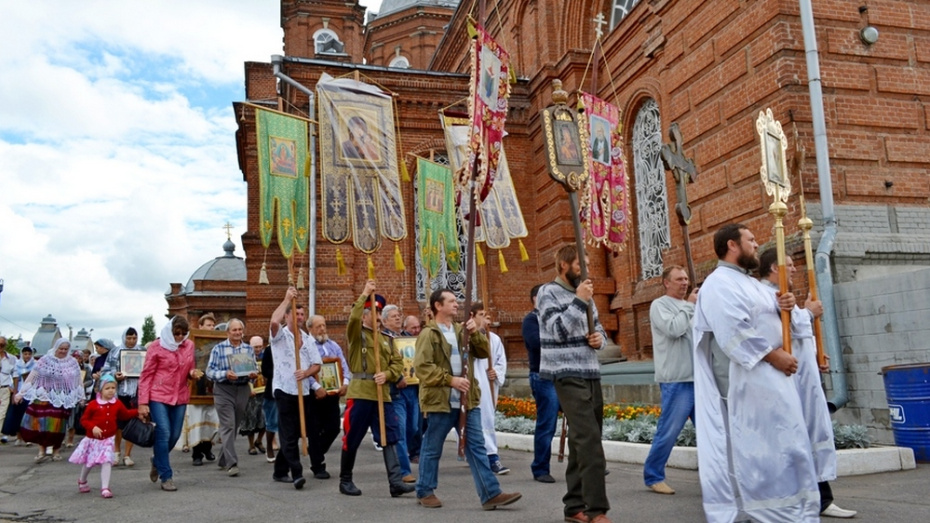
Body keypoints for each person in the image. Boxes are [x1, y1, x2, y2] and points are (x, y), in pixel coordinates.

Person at [692, 224, 820, 522]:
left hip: (778, 379)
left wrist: (783, 305)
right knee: (766, 448)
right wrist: (774, 355)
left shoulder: (750, 283)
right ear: (732, 245)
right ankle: (770, 511)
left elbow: (774, 318)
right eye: (750, 240)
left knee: (789, 444)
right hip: (755, 380)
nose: (756, 244)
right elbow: (733, 331)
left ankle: (797, 509)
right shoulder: (718, 284)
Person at [758, 249, 857, 519]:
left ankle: (820, 499)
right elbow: (779, 332)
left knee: (810, 435)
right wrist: (809, 312)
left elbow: (794, 336)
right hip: (786, 381)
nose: (793, 269)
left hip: (804, 376)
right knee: (795, 438)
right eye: (788, 265)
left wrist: (814, 353)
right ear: (772, 268)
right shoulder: (764, 294)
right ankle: (805, 499)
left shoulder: (782, 296)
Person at [413, 288, 522, 511]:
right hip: (441, 401)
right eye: (451, 301)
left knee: (477, 447)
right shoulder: (429, 334)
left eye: (456, 301)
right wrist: (450, 380)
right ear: (438, 306)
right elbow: (423, 368)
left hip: (467, 400)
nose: (456, 304)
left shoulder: (462, 330)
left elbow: (483, 354)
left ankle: (490, 493)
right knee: (433, 447)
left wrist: (475, 334)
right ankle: (424, 490)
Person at [537, 245, 611, 523]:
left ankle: (573, 506)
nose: (585, 270)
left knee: (583, 442)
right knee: (589, 441)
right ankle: (597, 510)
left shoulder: (586, 295)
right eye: (580, 264)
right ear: (563, 265)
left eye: (588, 264)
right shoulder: (548, 292)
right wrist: (579, 301)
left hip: (590, 370)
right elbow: (556, 330)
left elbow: (599, 328)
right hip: (565, 372)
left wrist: (599, 340)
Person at [338, 282, 414, 498]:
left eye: (380, 311)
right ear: (365, 314)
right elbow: (352, 317)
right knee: (352, 436)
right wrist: (363, 294)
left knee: (389, 437)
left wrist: (387, 375)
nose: (378, 315)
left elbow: (397, 365)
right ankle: (345, 480)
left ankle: (395, 482)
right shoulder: (357, 333)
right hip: (361, 393)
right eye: (374, 310)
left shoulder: (387, 339)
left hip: (382, 394)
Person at [643, 266, 697, 495]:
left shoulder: (691, 306)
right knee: (669, 430)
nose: (684, 283)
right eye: (679, 279)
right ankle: (653, 476)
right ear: (667, 283)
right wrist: (690, 307)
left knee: (708, 432)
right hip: (676, 378)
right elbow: (674, 329)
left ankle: (718, 476)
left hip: (698, 378)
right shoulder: (660, 305)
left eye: (686, 279)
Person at [138, 316, 200, 492]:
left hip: (180, 395)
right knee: (163, 432)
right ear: (169, 331)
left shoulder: (189, 345)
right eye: (176, 334)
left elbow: (189, 368)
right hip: (158, 395)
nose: (180, 337)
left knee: (174, 435)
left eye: (183, 334)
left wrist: (192, 373)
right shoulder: (156, 347)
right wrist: (143, 402)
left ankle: (157, 460)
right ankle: (166, 476)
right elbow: (146, 375)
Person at [269, 286, 322, 490]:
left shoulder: (308, 339)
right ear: (288, 315)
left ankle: (279, 470)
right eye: (296, 313)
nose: (300, 317)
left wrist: (306, 373)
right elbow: (274, 321)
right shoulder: (279, 335)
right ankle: (297, 472)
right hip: (284, 389)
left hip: (303, 391)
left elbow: (316, 364)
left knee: (299, 431)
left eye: (302, 314)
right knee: (289, 433)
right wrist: (286, 299)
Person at [14, 339, 84, 462]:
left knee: (58, 426)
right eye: (60, 348)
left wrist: (81, 396)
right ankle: (41, 450)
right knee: (42, 424)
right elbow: (33, 377)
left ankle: (56, 450)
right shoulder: (45, 360)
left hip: (62, 398)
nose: (62, 351)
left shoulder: (72, 362)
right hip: (44, 397)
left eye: (65, 349)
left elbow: (78, 381)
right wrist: (21, 393)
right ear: (56, 348)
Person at [69, 374, 138, 498]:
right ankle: (82, 480)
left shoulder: (116, 404)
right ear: (100, 390)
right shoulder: (93, 404)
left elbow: (125, 414)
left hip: (107, 440)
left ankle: (105, 487)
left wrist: (138, 412)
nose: (111, 390)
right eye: (107, 388)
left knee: (106, 461)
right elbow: (84, 420)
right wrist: (93, 427)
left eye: (113, 388)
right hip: (93, 439)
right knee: (89, 462)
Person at [206, 318, 256, 477]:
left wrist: (253, 375)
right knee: (228, 425)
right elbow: (209, 371)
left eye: (240, 330)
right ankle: (232, 463)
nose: (238, 333)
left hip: (242, 389)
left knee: (234, 426)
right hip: (223, 390)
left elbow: (253, 371)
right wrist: (224, 374)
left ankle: (222, 458)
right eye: (234, 330)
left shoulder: (248, 349)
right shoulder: (218, 349)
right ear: (228, 332)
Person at [306, 314, 350, 480]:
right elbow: (304, 370)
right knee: (315, 430)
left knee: (332, 427)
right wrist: (316, 387)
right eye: (318, 326)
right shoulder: (306, 347)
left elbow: (344, 366)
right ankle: (318, 466)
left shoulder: (333, 346)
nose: (322, 329)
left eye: (324, 325)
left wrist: (345, 383)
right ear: (310, 329)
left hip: (333, 394)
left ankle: (315, 451)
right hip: (314, 395)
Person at [522, 284, 558, 483]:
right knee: (547, 423)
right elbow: (536, 343)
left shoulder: (554, 317)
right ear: (535, 298)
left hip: (561, 375)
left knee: (581, 420)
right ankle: (540, 467)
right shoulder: (531, 319)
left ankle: (589, 464)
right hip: (542, 376)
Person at [471, 302, 509, 474]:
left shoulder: (494, 339)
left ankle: (491, 455)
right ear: (471, 317)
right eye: (481, 315)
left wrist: (497, 372)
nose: (486, 319)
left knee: (487, 418)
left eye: (486, 315)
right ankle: (482, 455)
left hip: (487, 384)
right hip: (472, 383)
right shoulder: (465, 336)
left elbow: (501, 360)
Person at [381, 303, 416, 483]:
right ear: (384, 320)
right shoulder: (383, 339)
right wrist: (396, 378)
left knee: (414, 427)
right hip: (395, 391)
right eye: (393, 316)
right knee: (400, 430)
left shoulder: (406, 337)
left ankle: (406, 456)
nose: (397, 317)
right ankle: (404, 470)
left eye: (398, 315)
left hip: (412, 389)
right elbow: (383, 363)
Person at [100, 327, 145, 467]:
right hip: (119, 393)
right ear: (124, 337)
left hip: (136, 392)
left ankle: (128, 455)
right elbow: (105, 371)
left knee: (133, 423)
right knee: (118, 424)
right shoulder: (114, 352)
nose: (131, 341)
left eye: (134, 338)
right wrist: (115, 376)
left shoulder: (143, 352)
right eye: (129, 338)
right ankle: (116, 452)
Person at [187, 313, 219, 466]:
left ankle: (207, 448)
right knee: (198, 419)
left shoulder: (217, 343)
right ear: (200, 327)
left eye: (213, 325)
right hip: (196, 385)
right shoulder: (193, 342)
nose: (211, 328)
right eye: (208, 325)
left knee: (211, 419)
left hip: (212, 384)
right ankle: (196, 453)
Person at [400, 314, 423, 463]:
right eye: (413, 328)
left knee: (418, 423)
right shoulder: (400, 341)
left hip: (419, 385)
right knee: (410, 423)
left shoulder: (422, 339)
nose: (416, 330)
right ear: (405, 328)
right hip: (405, 385)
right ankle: (408, 451)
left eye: (418, 327)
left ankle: (415, 451)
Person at [240, 335, 267, 457]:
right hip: (250, 392)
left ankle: (259, 440)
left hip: (263, 391)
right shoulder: (245, 357)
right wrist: (249, 389)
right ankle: (251, 445)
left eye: (260, 346)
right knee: (251, 418)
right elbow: (243, 374)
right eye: (256, 347)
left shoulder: (265, 356)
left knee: (264, 418)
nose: (258, 349)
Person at [3, 345, 35, 445]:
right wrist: (14, 392)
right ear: (22, 354)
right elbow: (13, 378)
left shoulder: (35, 365)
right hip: (19, 391)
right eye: (25, 354)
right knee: (18, 416)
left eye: (29, 354)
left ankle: (28, 438)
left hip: (31, 392)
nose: (27, 356)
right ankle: (19, 437)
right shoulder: (17, 365)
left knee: (28, 417)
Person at [259, 337, 278, 463]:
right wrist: (279, 373)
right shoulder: (269, 350)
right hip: (273, 390)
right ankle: (269, 446)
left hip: (290, 389)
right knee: (272, 420)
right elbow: (265, 370)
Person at [0, 336, 17, 443]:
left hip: (5, 388)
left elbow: (15, 376)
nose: (0, 347)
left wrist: (14, 391)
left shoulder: (11, 358)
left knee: (2, 413)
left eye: (2, 345)